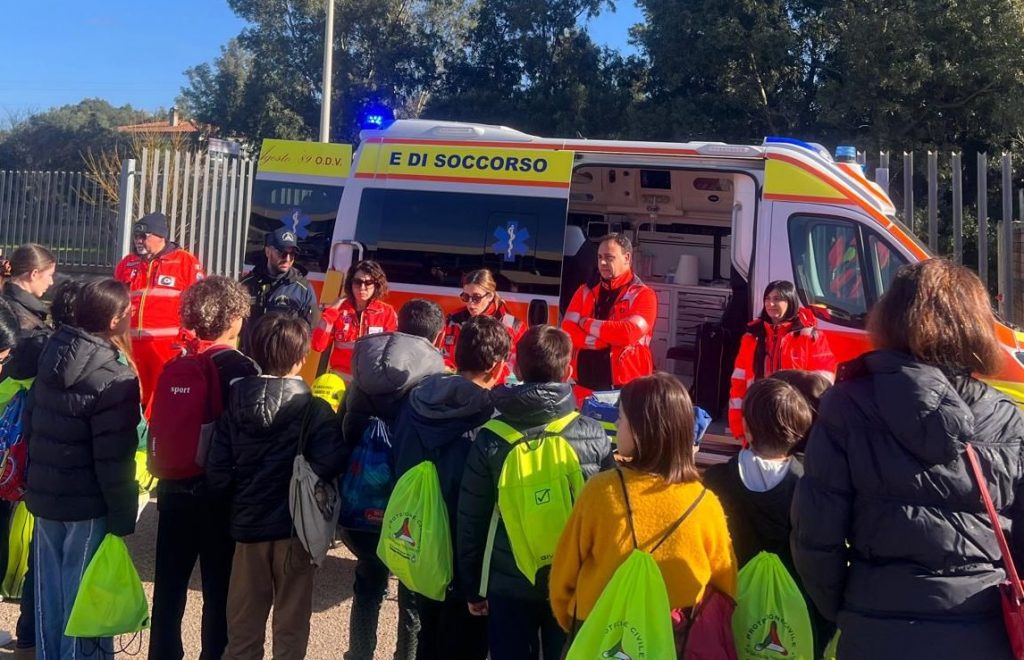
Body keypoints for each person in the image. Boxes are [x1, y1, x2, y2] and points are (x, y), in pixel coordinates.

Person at [791, 259, 1022, 660]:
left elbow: (815, 537)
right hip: (983, 629)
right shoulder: (1007, 418)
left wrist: (853, 607)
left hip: (875, 628)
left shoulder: (846, 407)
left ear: (891, 318)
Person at [458, 325, 614, 660]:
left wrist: (473, 587)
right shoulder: (591, 434)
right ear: (569, 371)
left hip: (507, 581)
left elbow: (472, 519)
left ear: (515, 369)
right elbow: (610, 517)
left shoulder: (492, 435)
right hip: (573, 580)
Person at [549, 373, 737, 643]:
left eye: (621, 418)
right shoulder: (705, 503)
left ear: (641, 429)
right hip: (674, 640)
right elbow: (725, 585)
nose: (616, 423)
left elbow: (563, 578)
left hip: (600, 633)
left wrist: (577, 625)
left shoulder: (601, 492)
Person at [206, 314, 345, 660]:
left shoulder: (234, 404)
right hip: (295, 530)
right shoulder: (315, 410)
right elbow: (331, 462)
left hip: (247, 529)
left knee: (242, 629)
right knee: (291, 628)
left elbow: (218, 472)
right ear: (301, 358)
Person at [24, 279, 141, 658]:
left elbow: (33, 423)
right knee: (84, 599)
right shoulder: (117, 378)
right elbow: (115, 457)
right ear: (114, 320)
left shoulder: (49, 354)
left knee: (50, 596)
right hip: (88, 503)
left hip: (46, 494)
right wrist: (123, 515)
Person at [149, 277, 260, 660]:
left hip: (173, 487)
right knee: (219, 591)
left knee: (169, 589)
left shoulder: (178, 362)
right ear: (233, 319)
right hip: (219, 495)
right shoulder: (241, 368)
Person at [392, 315, 511, 660]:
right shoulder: (491, 420)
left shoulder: (415, 399)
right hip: (463, 558)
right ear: (496, 365)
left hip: (416, 538)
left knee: (426, 637)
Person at [339, 298, 448, 660]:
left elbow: (345, 430)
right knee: (412, 596)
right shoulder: (434, 383)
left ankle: (358, 654)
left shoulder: (363, 371)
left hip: (361, 501)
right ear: (439, 335)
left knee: (368, 584)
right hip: (411, 506)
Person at [114, 212, 206, 409]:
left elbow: (199, 305)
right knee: (129, 399)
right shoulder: (127, 263)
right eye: (136, 236)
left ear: (160, 236)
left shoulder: (185, 262)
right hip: (130, 349)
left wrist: (190, 342)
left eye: (143, 236)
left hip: (167, 350)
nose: (138, 241)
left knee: (163, 402)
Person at [728, 280, 836, 440]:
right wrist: (738, 427)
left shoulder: (811, 337)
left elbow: (822, 386)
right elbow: (738, 384)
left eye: (778, 298)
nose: (771, 303)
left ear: (790, 300)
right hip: (758, 418)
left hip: (795, 421)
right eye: (767, 299)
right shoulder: (751, 337)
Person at [561, 233, 657, 397]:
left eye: (609, 257)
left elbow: (627, 333)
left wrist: (586, 324)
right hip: (582, 385)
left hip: (624, 388)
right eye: (599, 257)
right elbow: (567, 331)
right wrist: (601, 341)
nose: (602, 263)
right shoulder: (585, 290)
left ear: (627, 258)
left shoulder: (643, 295)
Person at [312, 260, 397, 381]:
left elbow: (392, 352)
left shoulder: (386, 312)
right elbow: (317, 345)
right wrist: (331, 312)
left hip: (371, 380)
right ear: (350, 283)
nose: (362, 287)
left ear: (376, 284)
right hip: (341, 380)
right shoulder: (338, 310)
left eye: (368, 283)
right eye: (357, 282)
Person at [239, 227, 317, 354]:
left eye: (292, 254)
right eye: (282, 252)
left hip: (282, 362)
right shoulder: (246, 284)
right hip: (250, 358)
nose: (287, 258)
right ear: (268, 252)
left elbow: (309, 329)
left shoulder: (303, 288)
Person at [441, 269, 524, 379]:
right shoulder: (453, 321)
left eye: (476, 298)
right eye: (465, 297)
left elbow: (512, 369)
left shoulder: (513, 327)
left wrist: (482, 382)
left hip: (496, 389)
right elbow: (444, 358)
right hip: (458, 384)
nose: (470, 303)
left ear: (490, 296)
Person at [1, 243, 56, 382]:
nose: (51, 282)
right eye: (49, 275)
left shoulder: (14, 305)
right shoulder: (18, 316)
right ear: (34, 274)